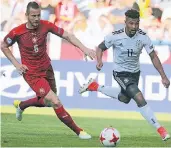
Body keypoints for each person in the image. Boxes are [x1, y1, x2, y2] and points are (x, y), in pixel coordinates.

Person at [1, 1, 96, 139]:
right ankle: (79, 131)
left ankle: (21, 105)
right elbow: (3, 45)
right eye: (33, 16)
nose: (36, 19)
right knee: (55, 101)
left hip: (46, 68)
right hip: (32, 74)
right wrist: (16, 64)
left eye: (38, 15)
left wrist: (85, 49)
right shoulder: (17, 32)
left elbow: (68, 36)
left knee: (47, 102)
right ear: (26, 15)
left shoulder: (46, 25)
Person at [79, 9, 170, 141]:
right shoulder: (115, 36)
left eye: (136, 24)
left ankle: (95, 86)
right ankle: (161, 129)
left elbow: (153, 56)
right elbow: (100, 47)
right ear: (125, 22)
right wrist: (99, 60)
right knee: (139, 97)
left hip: (135, 73)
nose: (134, 27)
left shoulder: (143, 37)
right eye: (131, 23)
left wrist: (163, 76)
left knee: (125, 98)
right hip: (120, 73)